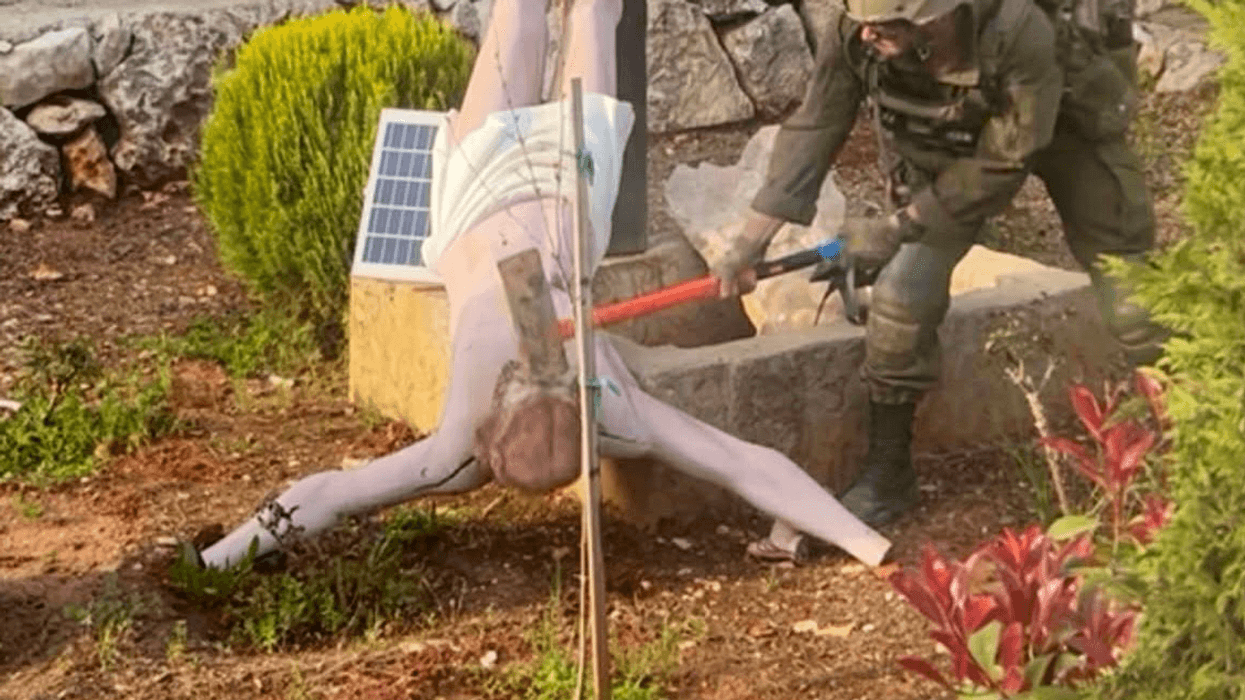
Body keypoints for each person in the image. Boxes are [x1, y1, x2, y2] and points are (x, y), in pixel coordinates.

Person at [186, 0, 894, 572]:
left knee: (528, 16)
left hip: (503, 194)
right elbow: (747, 465)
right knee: (581, 13)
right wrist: (870, 548)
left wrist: (220, 557)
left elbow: (330, 495)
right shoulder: (613, 413)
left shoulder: (459, 452)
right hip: (559, 189)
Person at [719, 0, 1167, 562]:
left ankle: (1182, 431)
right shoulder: (859, 28)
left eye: (884, 27)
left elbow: (1006, 158)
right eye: (865, 23)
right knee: (902, 296)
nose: (868, 35)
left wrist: (898, 224)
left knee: (1127, 286)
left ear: (932, 18)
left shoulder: (1018, 27)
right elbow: (817, 122)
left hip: (1061, 117)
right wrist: (750, 240)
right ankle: (888, 473)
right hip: (948, 146)